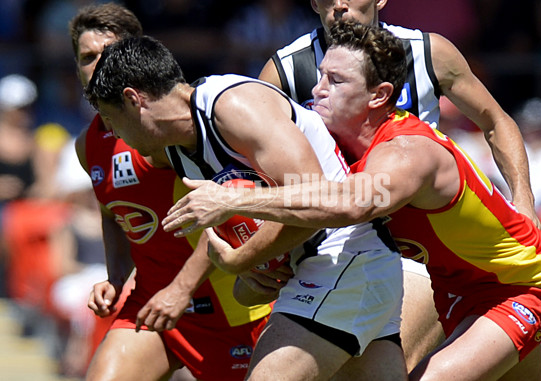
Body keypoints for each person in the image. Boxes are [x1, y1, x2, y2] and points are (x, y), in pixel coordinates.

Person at [162, 21, 541, 380]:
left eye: (335, 82)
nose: (317, 90)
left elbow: (348, 206)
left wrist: (233, 202)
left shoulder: (405, 153)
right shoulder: (338, 144)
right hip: (451, 286)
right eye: (319, 77)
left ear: (379, 96)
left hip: (516, 287)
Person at [86, 34, 408, 381]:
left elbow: (319, 198)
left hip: (345, 258)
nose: (112, 131)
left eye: (110, 117)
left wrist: (243, 257)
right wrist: (252, 270)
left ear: (133, 100)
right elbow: (255, 242)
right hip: (331, 271)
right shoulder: (182, 151)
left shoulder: (233, 105)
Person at [255, 0, 541, 370]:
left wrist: (524, 200)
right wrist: (256, 253)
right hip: (333, 241)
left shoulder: (427, 52)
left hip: (421, 248)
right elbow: (250, 165)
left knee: (394, 363)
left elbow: (495, 121)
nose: (339, 2)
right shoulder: (285, 69)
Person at [69, 4, 273, 380]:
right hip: (152, 302)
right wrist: (116, 277)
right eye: (86, 57)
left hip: (228, 306)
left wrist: (180, 290)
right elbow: (112, 214)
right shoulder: (89, 145)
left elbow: (226, 210)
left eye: (107, 52)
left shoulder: (164, 132)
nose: (97, 64)